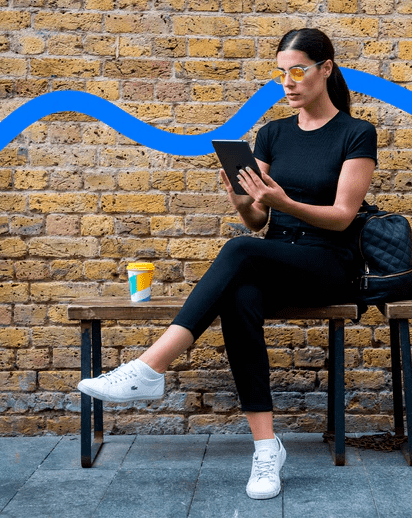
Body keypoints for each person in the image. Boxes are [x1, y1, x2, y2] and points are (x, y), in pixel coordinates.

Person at [77, 28, 377, 500]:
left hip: (329, 264)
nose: (288, 82)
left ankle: (150, 367)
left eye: (298, 71)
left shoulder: (356, 133)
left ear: (326, 70)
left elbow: (342, 218)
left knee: (238, 252)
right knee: (240, 295)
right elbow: (259, 222)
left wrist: (285, 201)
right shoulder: (273, 133)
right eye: (281, 73)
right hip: (275, 257)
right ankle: (266, 448)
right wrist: (242, 200)